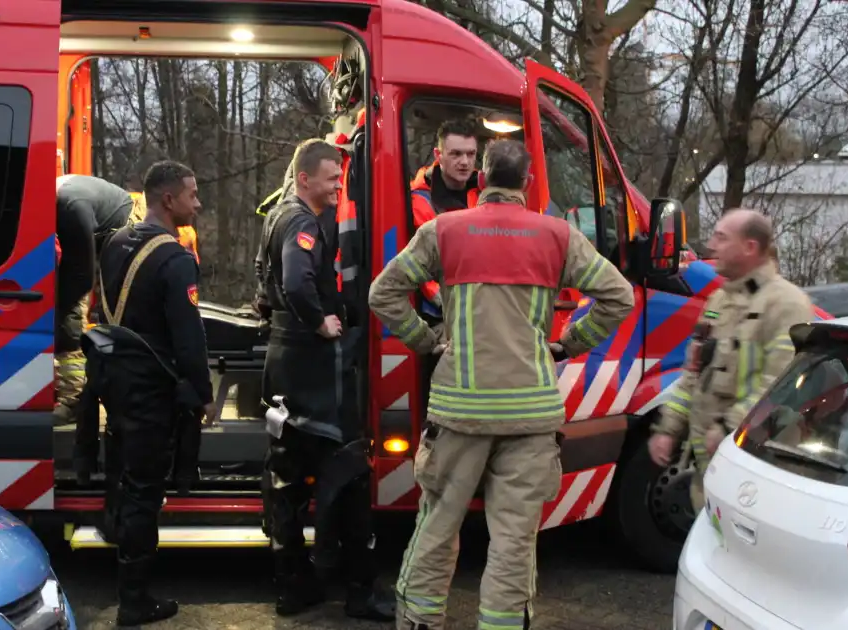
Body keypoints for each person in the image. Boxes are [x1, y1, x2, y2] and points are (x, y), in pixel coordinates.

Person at [368, 139, 635, 630]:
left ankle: (421, 623)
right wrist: (570, 344)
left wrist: (426, 341)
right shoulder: (557, 236)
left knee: (437, 527)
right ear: (528, 183)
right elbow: (619, 296)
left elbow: (382, 292)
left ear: (481, 177)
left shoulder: (443, 231)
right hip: (530, 416)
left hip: (459, 412)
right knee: (514, 541)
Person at [256, 138, 395, 621]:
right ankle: (360, 591)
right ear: (304, 179)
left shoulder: (277, 213)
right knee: (351, 471)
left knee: (288, 478)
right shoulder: (301, 222)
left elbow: (264, 278)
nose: (339, 184)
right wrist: (320, 321)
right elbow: (296, 282)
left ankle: (293, 589)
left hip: (284, 362)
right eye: (332, 177)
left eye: (341, 176)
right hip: (311, 365)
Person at [87, 160, 217, 626]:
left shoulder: (116, 242)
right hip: (149, 391)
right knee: (145, 491)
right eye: (192, 194)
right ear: (168, 199)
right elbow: (188, 336)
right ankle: (134, 601)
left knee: (123, 479)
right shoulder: (175, 257)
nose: (197, 203)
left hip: (114, 382)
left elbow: (102, 311)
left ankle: (123, 576)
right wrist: (202, 393)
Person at [648, 208, 814, 511]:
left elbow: (779, 386)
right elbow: (693, 373)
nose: (712, 246)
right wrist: (668, 430)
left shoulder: (787, 305)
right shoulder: (718, 301)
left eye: (722, 238)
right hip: (708, 471)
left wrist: (727, 430)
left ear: (750, 247)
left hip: (751, 475)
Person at [54, 174, 136, 425]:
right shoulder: (56, 203)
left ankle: (76, 400)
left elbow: (82, 276)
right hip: (98, 226)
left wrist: (58, 312)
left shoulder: (70, 208)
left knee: (79, 315)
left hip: (125, 225)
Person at [410, 118, 483, 315]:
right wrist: (445, 303)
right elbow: (419, 266)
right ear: (438, 155)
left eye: (471, 154)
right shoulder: (420, 201)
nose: (465, 162)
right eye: (456, 154)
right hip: (445, 310)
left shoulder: (484, 191)